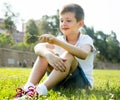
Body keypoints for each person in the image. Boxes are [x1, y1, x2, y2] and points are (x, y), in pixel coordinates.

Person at [14, 3, 96, 100]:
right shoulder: (59, 39)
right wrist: (48, 55)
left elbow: (83, 54)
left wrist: (57, 42)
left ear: (80, 24)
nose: (63, 24)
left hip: (81, 85)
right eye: (61, 20)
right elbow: (38, 47)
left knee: (69, 54)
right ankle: (29, 88)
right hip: (59, 82)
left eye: (68, 21)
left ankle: (39, 91)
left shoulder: (86, 39)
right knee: (44, 53)